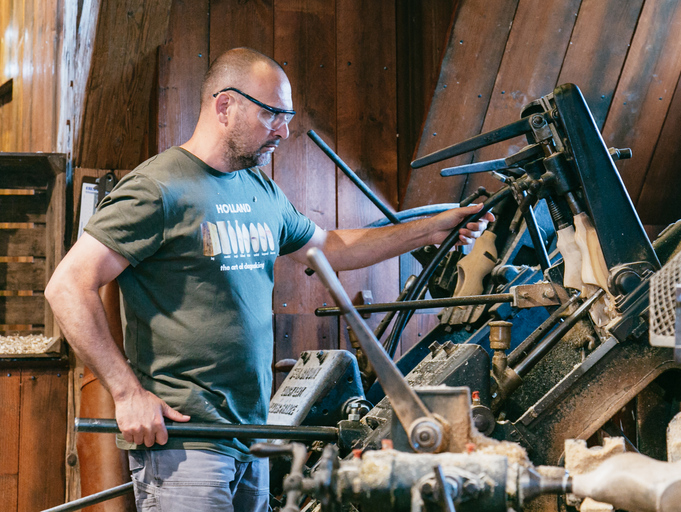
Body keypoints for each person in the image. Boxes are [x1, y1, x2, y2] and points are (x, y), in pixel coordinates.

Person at [45, 47, 493, 511]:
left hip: (253, 438)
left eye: (287, 116)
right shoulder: (157, 189)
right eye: (271, 114)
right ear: (224, 105)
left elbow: (331, 248)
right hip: (186, 439)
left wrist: (432, 228)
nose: (282, 129)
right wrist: (126, 393)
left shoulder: (260, 188)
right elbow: (67, 286)